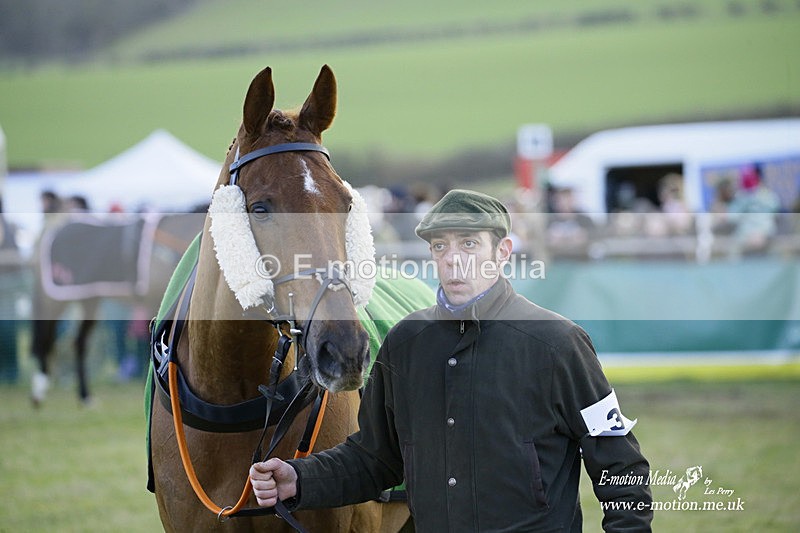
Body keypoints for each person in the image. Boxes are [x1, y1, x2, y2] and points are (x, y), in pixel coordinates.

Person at [250, 189, 653, 531]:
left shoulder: (559, 343)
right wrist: (298, 480)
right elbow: (374, 460)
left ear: (503, 252)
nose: (453, 258)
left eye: (469, 244)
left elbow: (621, 467)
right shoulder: (406, 343)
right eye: (441, 246)